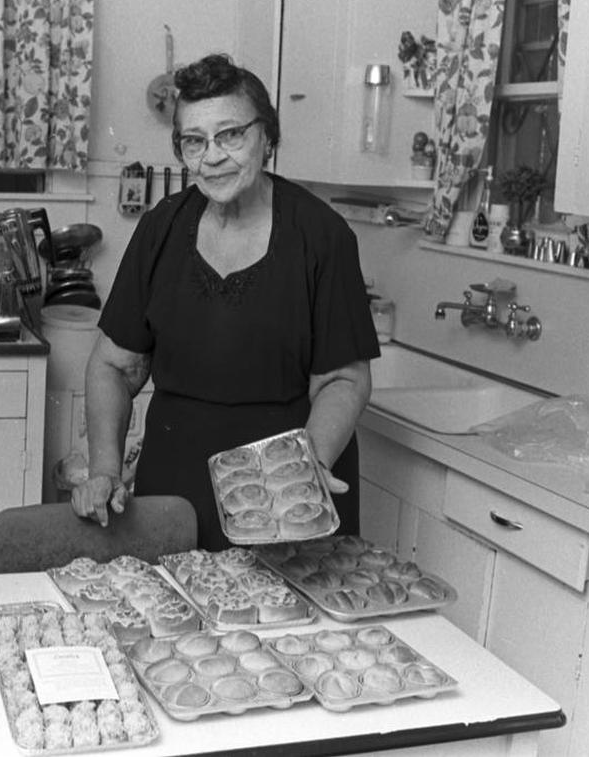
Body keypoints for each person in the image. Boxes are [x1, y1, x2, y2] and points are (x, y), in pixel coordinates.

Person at [70, 53, 379, 550]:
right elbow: (113, 366)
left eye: (230, 134)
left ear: (267, 137)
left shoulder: (322, 236)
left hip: (287, 492)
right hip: (177, 487)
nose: (211, 156)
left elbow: (344, 379)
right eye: (194, 141)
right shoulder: (160, 229)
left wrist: (308, 468)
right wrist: (105, 469)